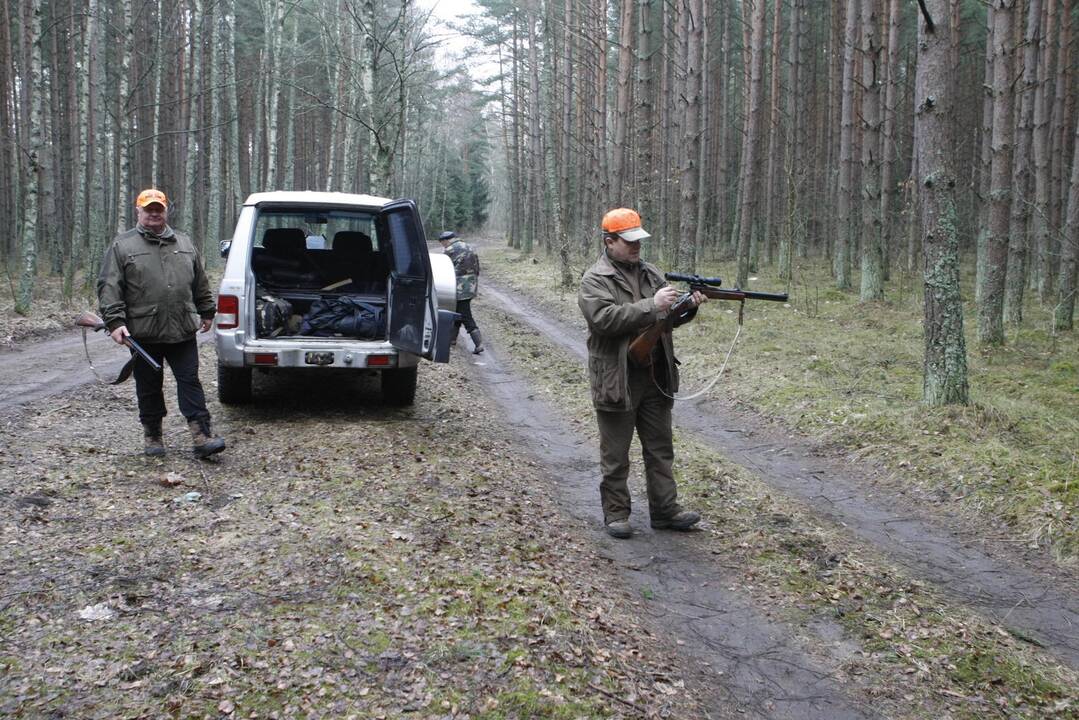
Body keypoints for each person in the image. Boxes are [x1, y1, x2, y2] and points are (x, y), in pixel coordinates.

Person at [578, 208, 705, 539]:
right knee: (616, 455)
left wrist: (687, 307)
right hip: (617, 377)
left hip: (655, 376)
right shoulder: (594, 279)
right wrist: (654, 304)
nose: (636, 247)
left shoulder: (651, 274)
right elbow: (604, 320)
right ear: (610, 241)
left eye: (639, 240)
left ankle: (665, 511)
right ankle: (616, 514)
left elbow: (667, 319)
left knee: (660, 449)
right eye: (629, 241)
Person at [97, 188, 226, 458]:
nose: (154, 213)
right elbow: (109, 286)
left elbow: (199, 281)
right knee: (148, 384)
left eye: (159, 208)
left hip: (181, 328)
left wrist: (207, 311)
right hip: (143, 331)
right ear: (139, 211)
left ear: (166, 211)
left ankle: (201, 435)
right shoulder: (123, 245)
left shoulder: (185, 242)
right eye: (149, 209)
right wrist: (114, 322)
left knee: (189, 380)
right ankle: (153, 435)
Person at [438, 230, 484, 354]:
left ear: (446, 240)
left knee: (465, 315)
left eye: (443, 243)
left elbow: (444, 269)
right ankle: (452, 340)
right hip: (471, 285)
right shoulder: (468, 246)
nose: (444, 246)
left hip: (459, 286)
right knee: (457, 311)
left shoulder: (450, 250)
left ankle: (479, 344)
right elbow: (477, 268)